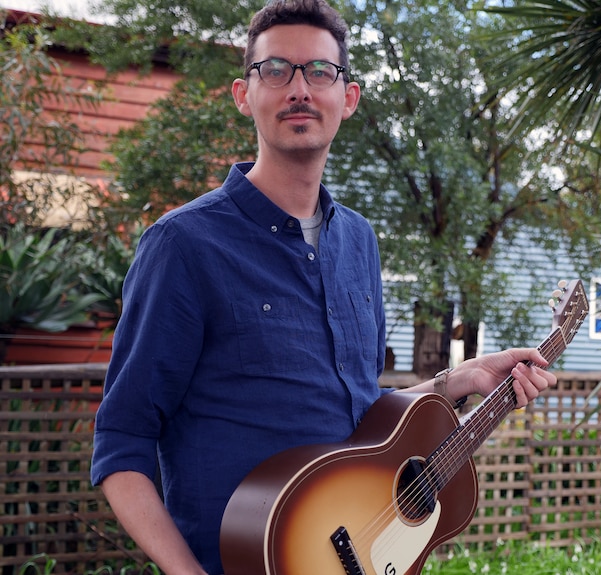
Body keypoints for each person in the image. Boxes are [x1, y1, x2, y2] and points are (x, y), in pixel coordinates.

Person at [90, 1, 557, 574]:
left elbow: (355, 416)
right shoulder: (182, 246)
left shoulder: (359, 241)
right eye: (276, 70)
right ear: (244, 94)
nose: (299, 89)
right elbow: (121, 441)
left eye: (319, 72)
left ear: (348, 99)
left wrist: (456, 381)